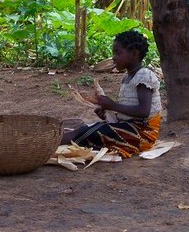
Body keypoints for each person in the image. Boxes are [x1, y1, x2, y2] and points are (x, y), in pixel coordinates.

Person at [62, 30, 162, 158]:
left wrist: (113, 106)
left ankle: (52, 142)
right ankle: (55, 140)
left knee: (93, 132)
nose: (113, 57)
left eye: (117, 53)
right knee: (89, 128)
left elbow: (143, 112)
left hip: (143, 134)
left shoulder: (144, 76)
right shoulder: (126, 78)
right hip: (130, 128)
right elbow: (127, 113)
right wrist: (108, 116)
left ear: (134, 54)